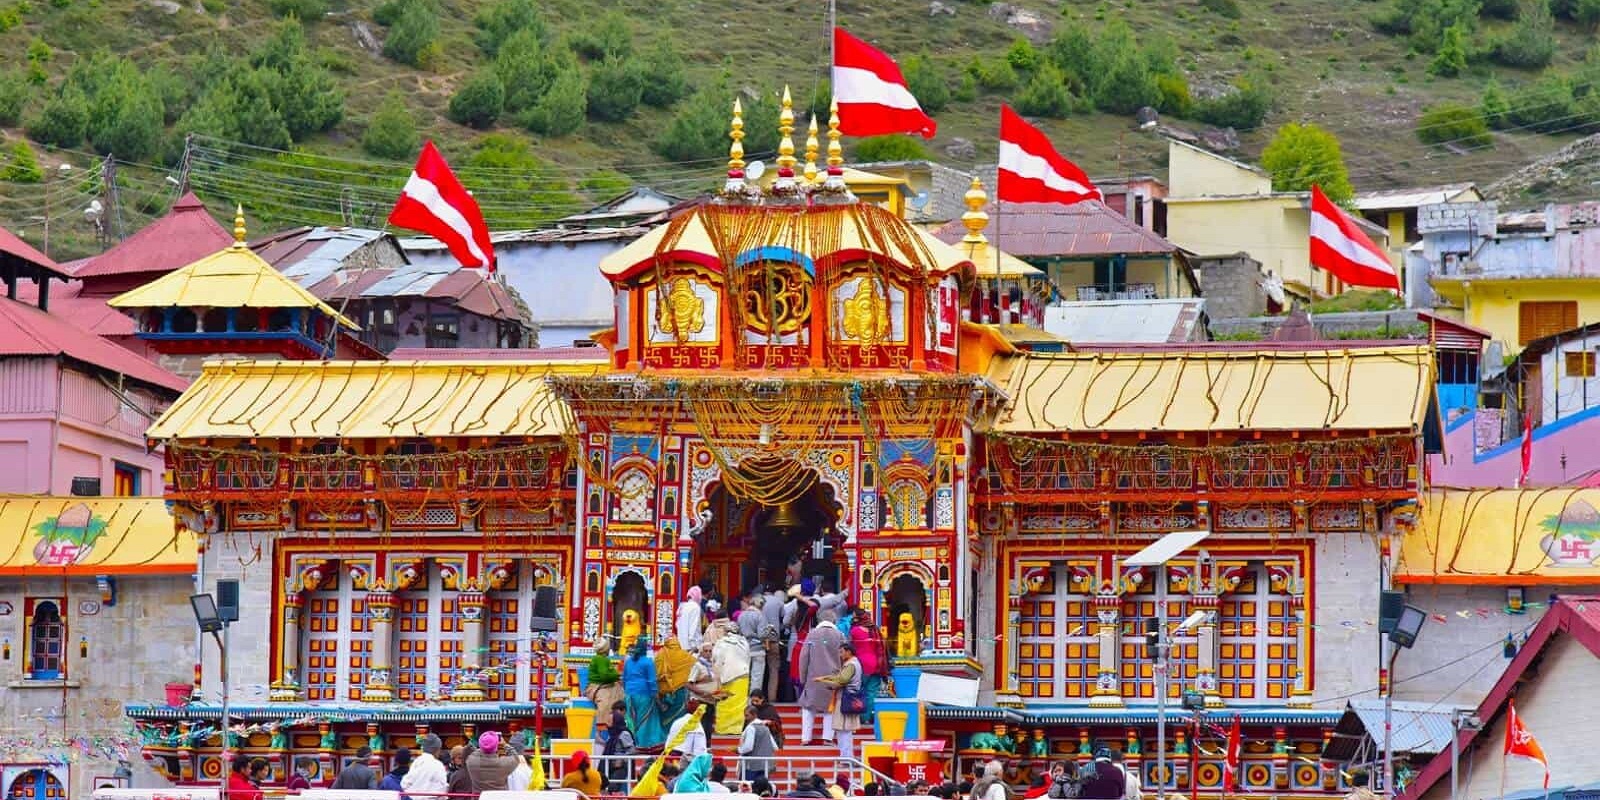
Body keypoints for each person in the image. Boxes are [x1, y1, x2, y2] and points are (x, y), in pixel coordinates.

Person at [798, 609, 846, 746]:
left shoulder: (812, 634)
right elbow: (844, 657)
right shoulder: (840, 635)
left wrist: (803, 678)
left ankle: (805, 738)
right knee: (830, 708)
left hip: (813, 676)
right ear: (834, 620)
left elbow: (804, 657)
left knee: (808, 708)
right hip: (833, 677)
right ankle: (827, 738)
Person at [817, 642, 863, 761]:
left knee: (844, 730)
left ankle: (846, 758)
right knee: (844, 731)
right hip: (847, 699)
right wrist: (827, 678)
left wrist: (825, 680)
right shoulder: (853, 663)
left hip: (845, 700)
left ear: (849, 652)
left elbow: (841, 680)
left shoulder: (851, 665)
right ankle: (846, 757)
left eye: (842, 652)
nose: (840, 655)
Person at [623, 641, 668, 751]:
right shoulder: (648, 662)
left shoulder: (628, 662)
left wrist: (627, 691)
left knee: (632, 719)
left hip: (629, 694)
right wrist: (656, 697)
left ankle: (632, 743)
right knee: (645, 720)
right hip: (644, 694)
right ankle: (643, 745)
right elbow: (652, 681)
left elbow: (624, 678)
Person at [711, 618, 752, 736]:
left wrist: (716, 676)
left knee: (724, 702)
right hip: (743, 676)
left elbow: (717, 659)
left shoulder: (721, 643)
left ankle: (723, 728)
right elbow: (748, 658)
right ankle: (737, 728)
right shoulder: (744, 642)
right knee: (739, 704)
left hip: (726, 676)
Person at [656, 638, 698, 738]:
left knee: (666, 713)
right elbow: (694, 661)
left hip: (664, 690)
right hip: (680, 689)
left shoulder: (661, 654)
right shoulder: (684, 655)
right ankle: (678, 735)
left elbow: (657, 672)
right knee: (679, 713)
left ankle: (665, 736)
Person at [850, 617, 885, 723]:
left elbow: (849, 646)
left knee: (859, 691)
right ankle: (866, 717)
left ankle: (859, 717)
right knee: (871, 693)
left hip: (861, 664)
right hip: (876, 665)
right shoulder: (875, 630)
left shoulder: (855, 630)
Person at [739, 592, 769, 700]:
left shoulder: (741, 615)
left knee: (745, 675)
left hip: (744, 648)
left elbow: (739, 632)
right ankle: (754, 699)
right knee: (757, 676)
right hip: (758, 649)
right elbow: (762, 634)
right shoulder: (760, 616)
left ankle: (744, 698)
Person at [737, 705, 777, 782]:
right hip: (764, 765)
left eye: (747, 715)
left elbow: (748, 747)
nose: (745, 718)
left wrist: (738, 750)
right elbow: (774, 746)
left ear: (754, 715)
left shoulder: (751, 728)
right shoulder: (765, 728)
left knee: (748, 787)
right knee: (761, 787)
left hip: (751, 766)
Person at [601, 707, 635, 784]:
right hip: (609, 764)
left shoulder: (624, 734)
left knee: (612, 786)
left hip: (620, 767)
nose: (607, 722)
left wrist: (621, 760)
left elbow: (632, 750)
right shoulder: (611, 733)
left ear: (616, 721)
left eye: (610, 720)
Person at [678, 586, 706, 651]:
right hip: (691, 646)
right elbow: (694, 626)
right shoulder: (695, 607)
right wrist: (694, 645)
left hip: (682, 643)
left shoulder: (683, 606)